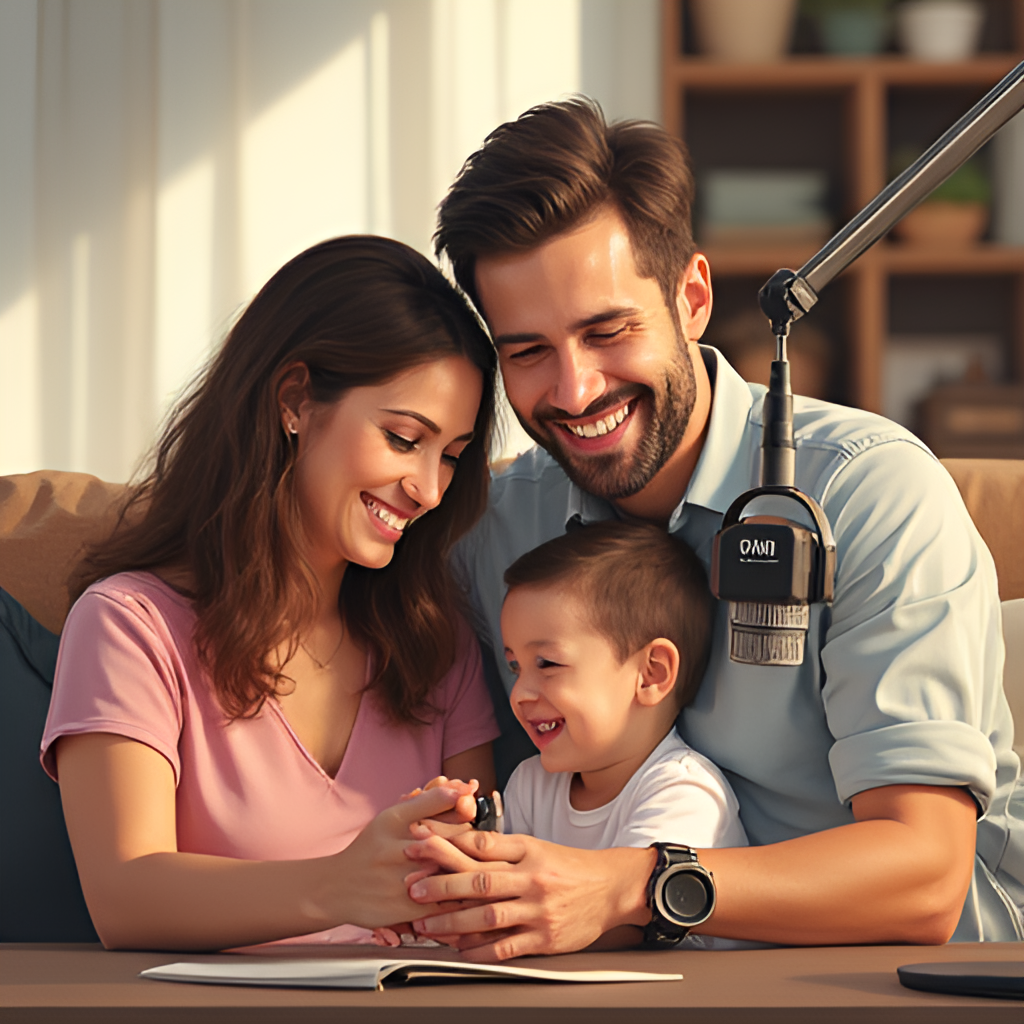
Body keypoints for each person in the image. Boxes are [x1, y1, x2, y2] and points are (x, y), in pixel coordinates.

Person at [399, 98, 1023, 958]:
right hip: (640, 982)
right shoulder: (496, 530)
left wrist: (630, 885)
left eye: (607, 331)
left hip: (904, 976)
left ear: (692, 298)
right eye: (528, 351)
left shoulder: (871, 493)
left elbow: (925, 879)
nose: (575, 392)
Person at [40, 235, 501, 951]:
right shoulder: (130, 627)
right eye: (405, 439)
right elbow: (124, 897)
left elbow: (473, 880)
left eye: (452, 456)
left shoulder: (436, 641)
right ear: (294, 401)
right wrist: (340, 885)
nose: (429, 490)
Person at [499, 523, 748, 888]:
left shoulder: (682, 794)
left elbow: (623, 908)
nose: (520, 693)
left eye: (547, 664)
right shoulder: (530, 786)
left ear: (651, 674)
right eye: (515, 667)